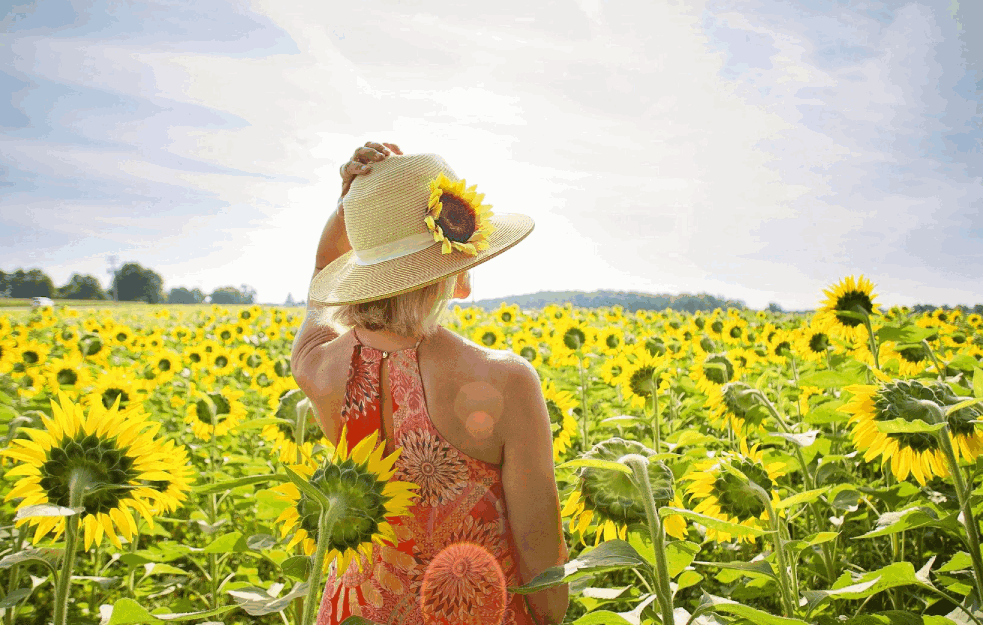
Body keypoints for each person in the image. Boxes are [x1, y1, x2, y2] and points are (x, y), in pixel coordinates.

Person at [290, 141, 569, 625]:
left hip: (352, 613)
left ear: (359, 269)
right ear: (457, 272)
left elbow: (319, 285)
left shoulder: (317, 364)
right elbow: (543, 568)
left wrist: (349, 208)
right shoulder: (505, 381)